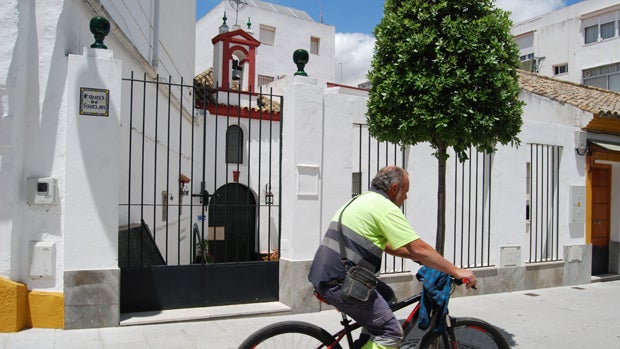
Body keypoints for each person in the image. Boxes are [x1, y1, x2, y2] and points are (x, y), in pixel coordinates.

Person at [308, 166, 477, 349]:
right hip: (340, 280)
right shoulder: (384, 207)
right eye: (405, 192)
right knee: (391, 332)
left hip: (330, 274)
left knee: (387, 296)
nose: (406, 198)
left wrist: (421, 259)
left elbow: (389, 246)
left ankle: (364, 343)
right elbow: (418, 247)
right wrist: (456, 271)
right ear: (395, 188)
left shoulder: (362, 200)